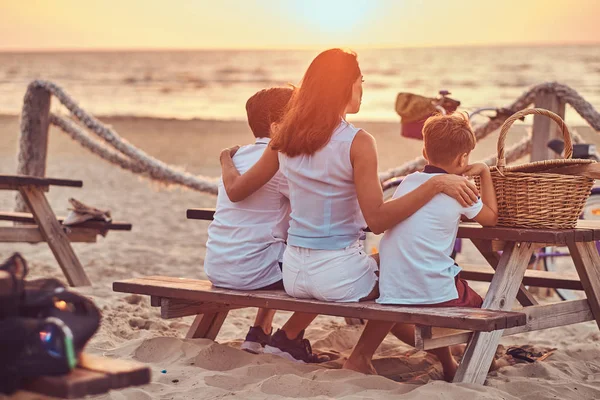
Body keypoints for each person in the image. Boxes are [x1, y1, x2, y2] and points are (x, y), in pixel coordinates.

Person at [219, 48, 480, 363]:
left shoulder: (285, 136)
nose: (363, 91)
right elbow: (378, 220)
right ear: (345, 88)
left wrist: (225, 159)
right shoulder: (358, 142)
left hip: (294, 275)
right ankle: (374, 357)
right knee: (404, 275)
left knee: (389, 268)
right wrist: (436, 183)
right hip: (339, 278)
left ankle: (287, 337)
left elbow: (239, 189)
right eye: (360, 82)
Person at [343, 112, 498, 382]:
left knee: (407, 297)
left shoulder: (409, 183)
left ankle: (447, 360)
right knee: (488, 307)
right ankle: (486, 363)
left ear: (425, 151)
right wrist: (484, 172)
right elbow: (492, 219)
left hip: (393, 285)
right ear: (463, 159)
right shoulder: (460, 190)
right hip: (432, 288)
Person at [205, 87, 296, 354]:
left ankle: (259, 332)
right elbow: (316, 207)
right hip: (252, 272)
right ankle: (289, 339)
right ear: (277, 125)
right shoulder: (284, 160)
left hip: (218, 266)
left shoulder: (239, 156)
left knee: (276, 242)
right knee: (314, 262)